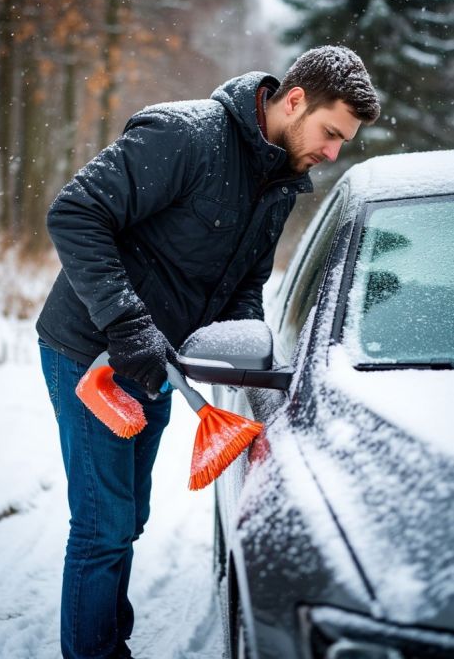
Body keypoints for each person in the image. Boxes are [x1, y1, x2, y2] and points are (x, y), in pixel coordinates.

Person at [36, 44, 380, 658]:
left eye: (342, 143)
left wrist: (239, 350)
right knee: (102, 526)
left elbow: (245, 283)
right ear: (294, 101)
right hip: (90, 351)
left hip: (156, 363)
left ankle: (106, 636)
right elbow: (76, 213)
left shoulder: (278, 186)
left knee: (128, 518)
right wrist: (127, 323)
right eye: (330, 133)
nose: (332, 153)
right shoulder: (187, 135)